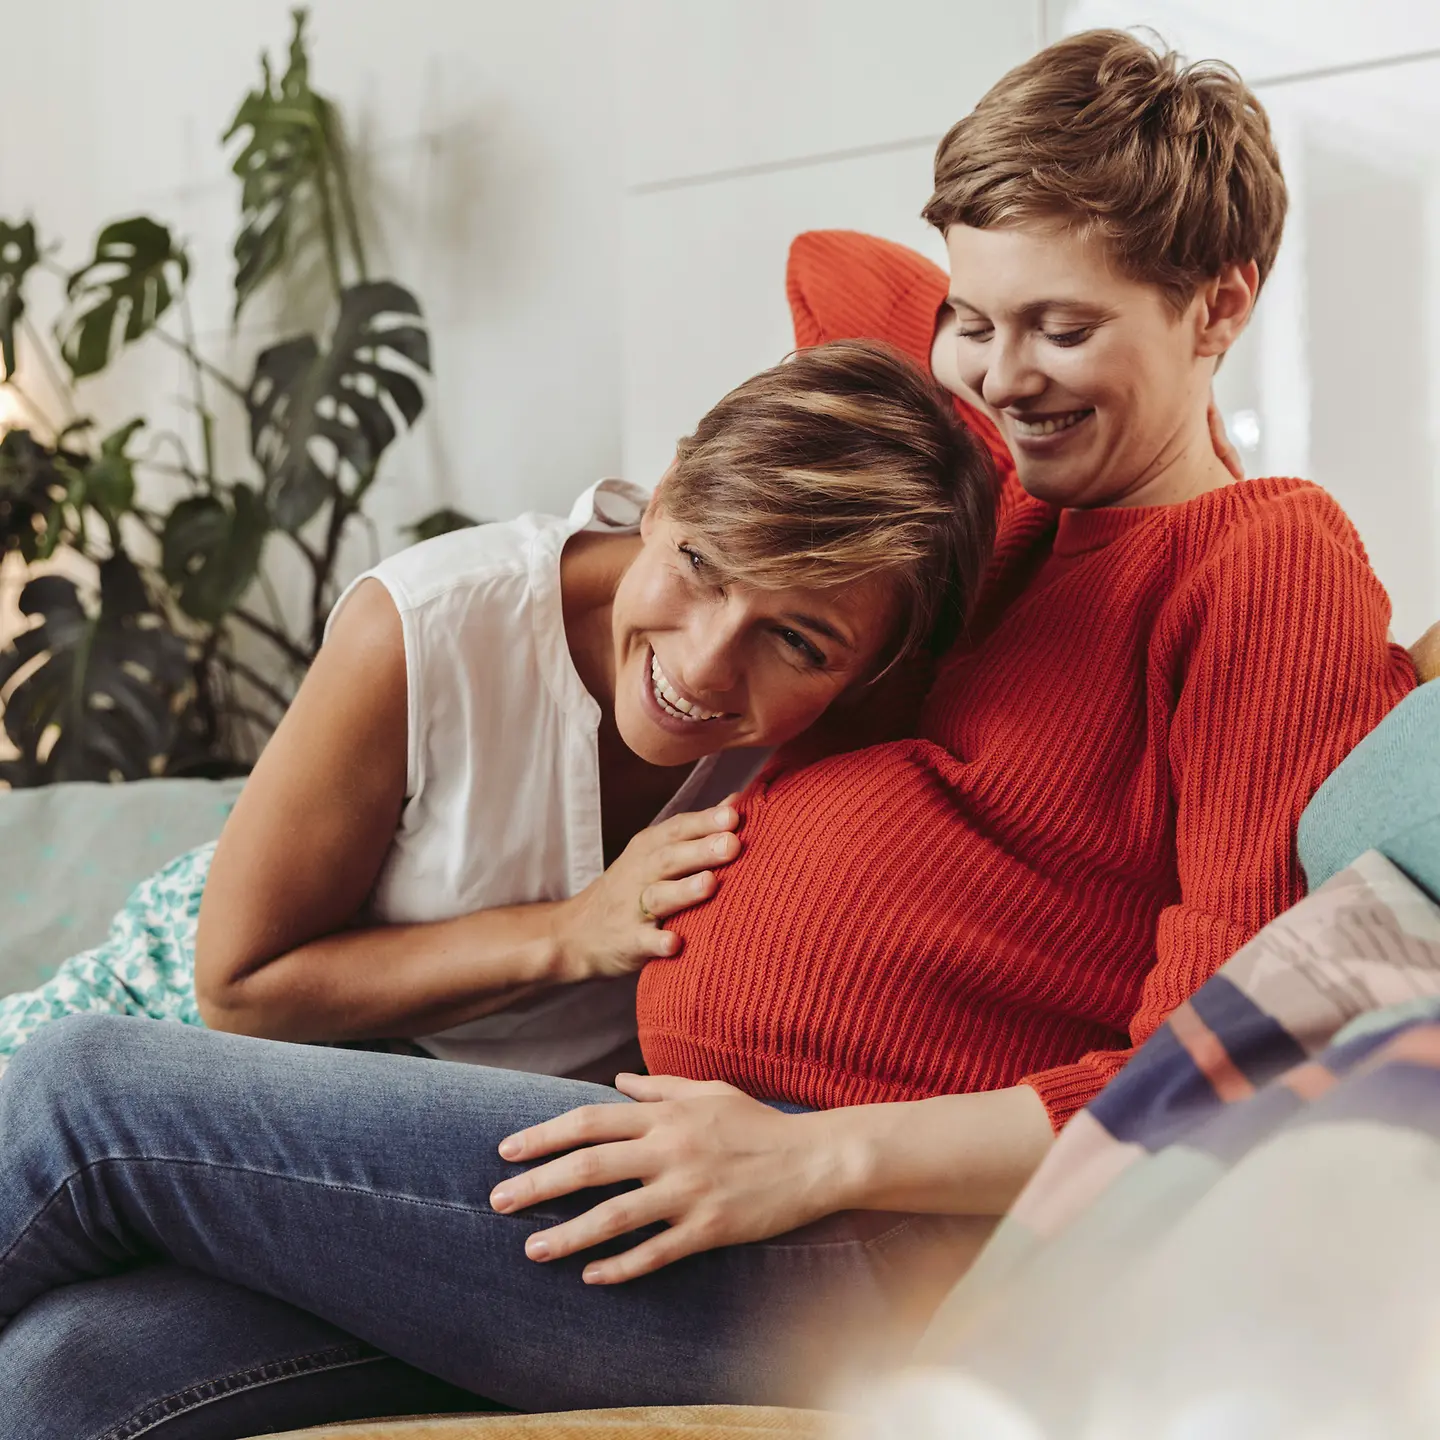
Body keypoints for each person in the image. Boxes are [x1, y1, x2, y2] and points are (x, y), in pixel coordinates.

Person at [0, 31, 1417, 1439]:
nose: (997, 378)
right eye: (973, 322)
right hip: (700, 1165)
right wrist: (1026, 314)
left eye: (1062, 328)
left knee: (85, 1094)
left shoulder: (1262, 564)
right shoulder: (995, 516)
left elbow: (1212, 1075)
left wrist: (820, 1159)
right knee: (75, 1370)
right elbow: (835, 276)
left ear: (1220, 306)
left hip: (846, 1230)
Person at [0, 340, 993, 1085]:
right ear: (665, 496)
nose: (704, 664)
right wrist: (572, 931)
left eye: (799, 642)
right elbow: (236, 988)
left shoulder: (858, 726)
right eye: (700, 563)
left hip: (422, 1110)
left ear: (873, 671)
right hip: (165, 1019)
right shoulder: (423, 625)